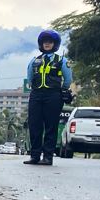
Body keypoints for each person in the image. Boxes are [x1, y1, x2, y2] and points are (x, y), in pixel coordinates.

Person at [24, 29, 73, 165]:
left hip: (53, 95)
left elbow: (68, 79)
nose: (47, 44)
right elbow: (29, 79)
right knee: (34, 125)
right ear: (41, 44)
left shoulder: (61, 60)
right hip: (36, 95)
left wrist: (62, 90)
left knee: (51, 126)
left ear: (55, 44)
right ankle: (34, 156)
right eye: (45, 42)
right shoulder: (34, 61)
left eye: (50, 42)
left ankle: (48, 157)